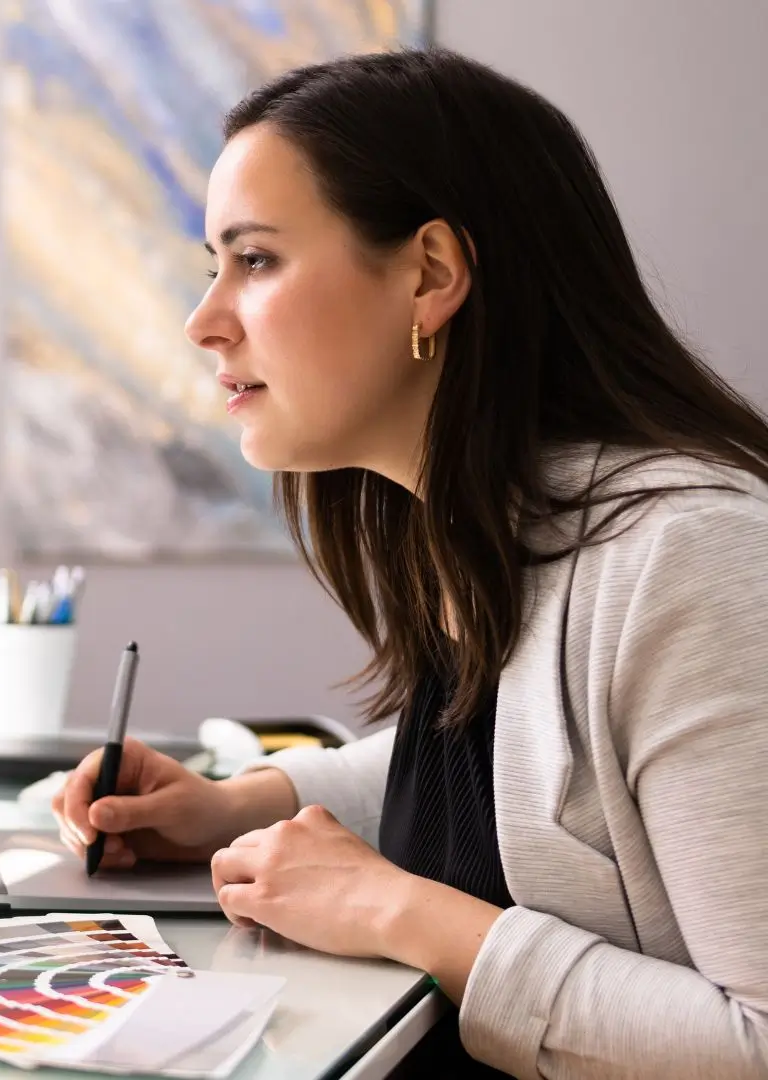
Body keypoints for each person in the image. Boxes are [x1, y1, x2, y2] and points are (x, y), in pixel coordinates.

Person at [52, 47, 768, 1079]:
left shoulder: (689, 560)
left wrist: (401, 912)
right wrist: (241, 803)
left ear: (431, 273)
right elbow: (491, 772)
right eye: (214, 263)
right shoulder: (495, 527)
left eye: (254, 260)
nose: (203, 321)